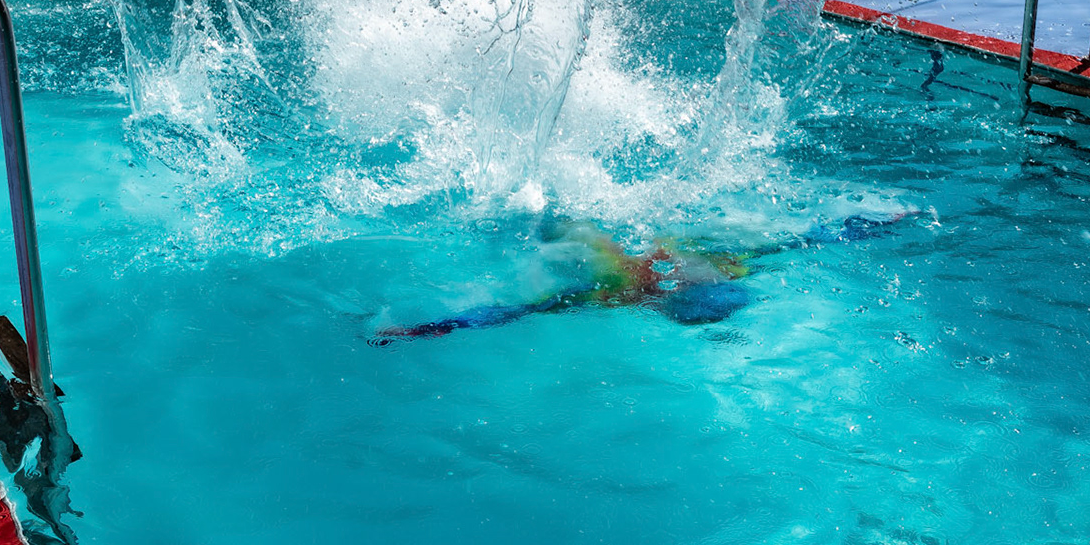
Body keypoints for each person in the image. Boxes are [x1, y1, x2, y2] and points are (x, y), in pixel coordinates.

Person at [370, 211, 914, 344]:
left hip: (565, 228)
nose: (676, 271)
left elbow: (519, 311)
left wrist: (432, 328)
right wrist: (877, 224)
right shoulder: (730, 263)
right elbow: (811, 239)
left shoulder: (620, 291)